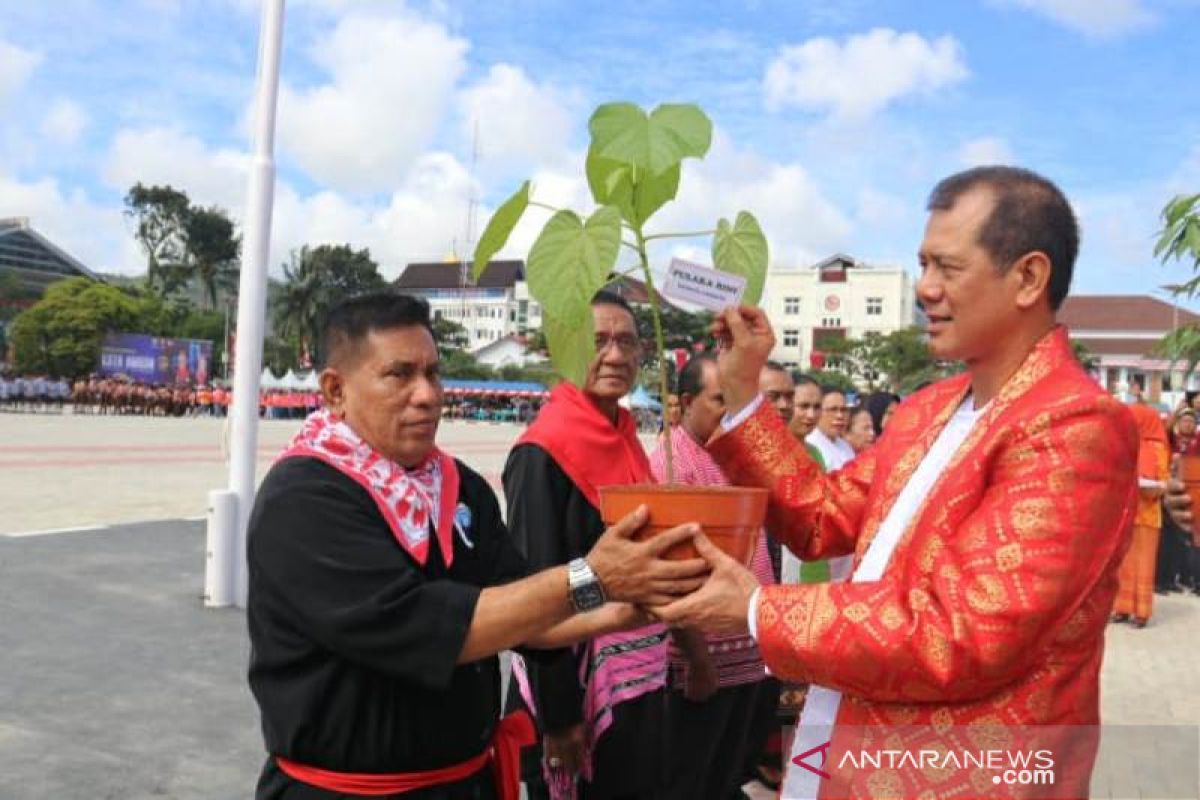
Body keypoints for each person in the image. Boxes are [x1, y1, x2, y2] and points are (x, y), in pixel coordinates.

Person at [653, 166, 1139, 798]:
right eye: (922, 266)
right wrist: (743, 387)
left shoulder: (1075, 426)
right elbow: (819, 516)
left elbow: (960, 632)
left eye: (947, 268)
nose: (925, 290)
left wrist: (755, 608)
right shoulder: (928, 410)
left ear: (1028, 277)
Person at [246, 292, 707, 800]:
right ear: (335, 390)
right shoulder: (306, 497)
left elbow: (526, 609)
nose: (426, 395)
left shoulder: (458, 486)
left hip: (467, 782)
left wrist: (629, 610)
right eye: (399, 375)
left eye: (433, 373)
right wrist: (592, 578)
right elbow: (431, 627)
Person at [502, 290, 674, 800]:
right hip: (572, 689)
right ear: (567, 349)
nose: (616, 356)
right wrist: (559, 718)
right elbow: (536, 590)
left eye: (627, 342)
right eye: (599, 342)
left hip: (632, 680)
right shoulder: (544, 450)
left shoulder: (623, 433)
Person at [649, 354, 775, 800]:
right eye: (720, 399)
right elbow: (672, 580)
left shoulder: (737, 457)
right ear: (685, 402)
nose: (730, 411)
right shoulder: (672, 465)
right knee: (691, 782)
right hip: (705, 668)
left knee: (725, 780)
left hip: (749, 660)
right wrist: (698, 662)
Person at [1111, 380, 1170, 627]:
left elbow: (1162, 481)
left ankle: (1141, 612)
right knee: (1123, 564)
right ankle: (1122, 608)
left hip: (1147, 514)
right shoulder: (1126, 444)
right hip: (1126, 514)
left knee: (1143, 564)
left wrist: (1149, 486)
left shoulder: (1157, 449)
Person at [805, 388, 854, 470]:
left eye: (844, 410)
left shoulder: (846, 446)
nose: (840, 416)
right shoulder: (810, 443)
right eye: (833, 410)